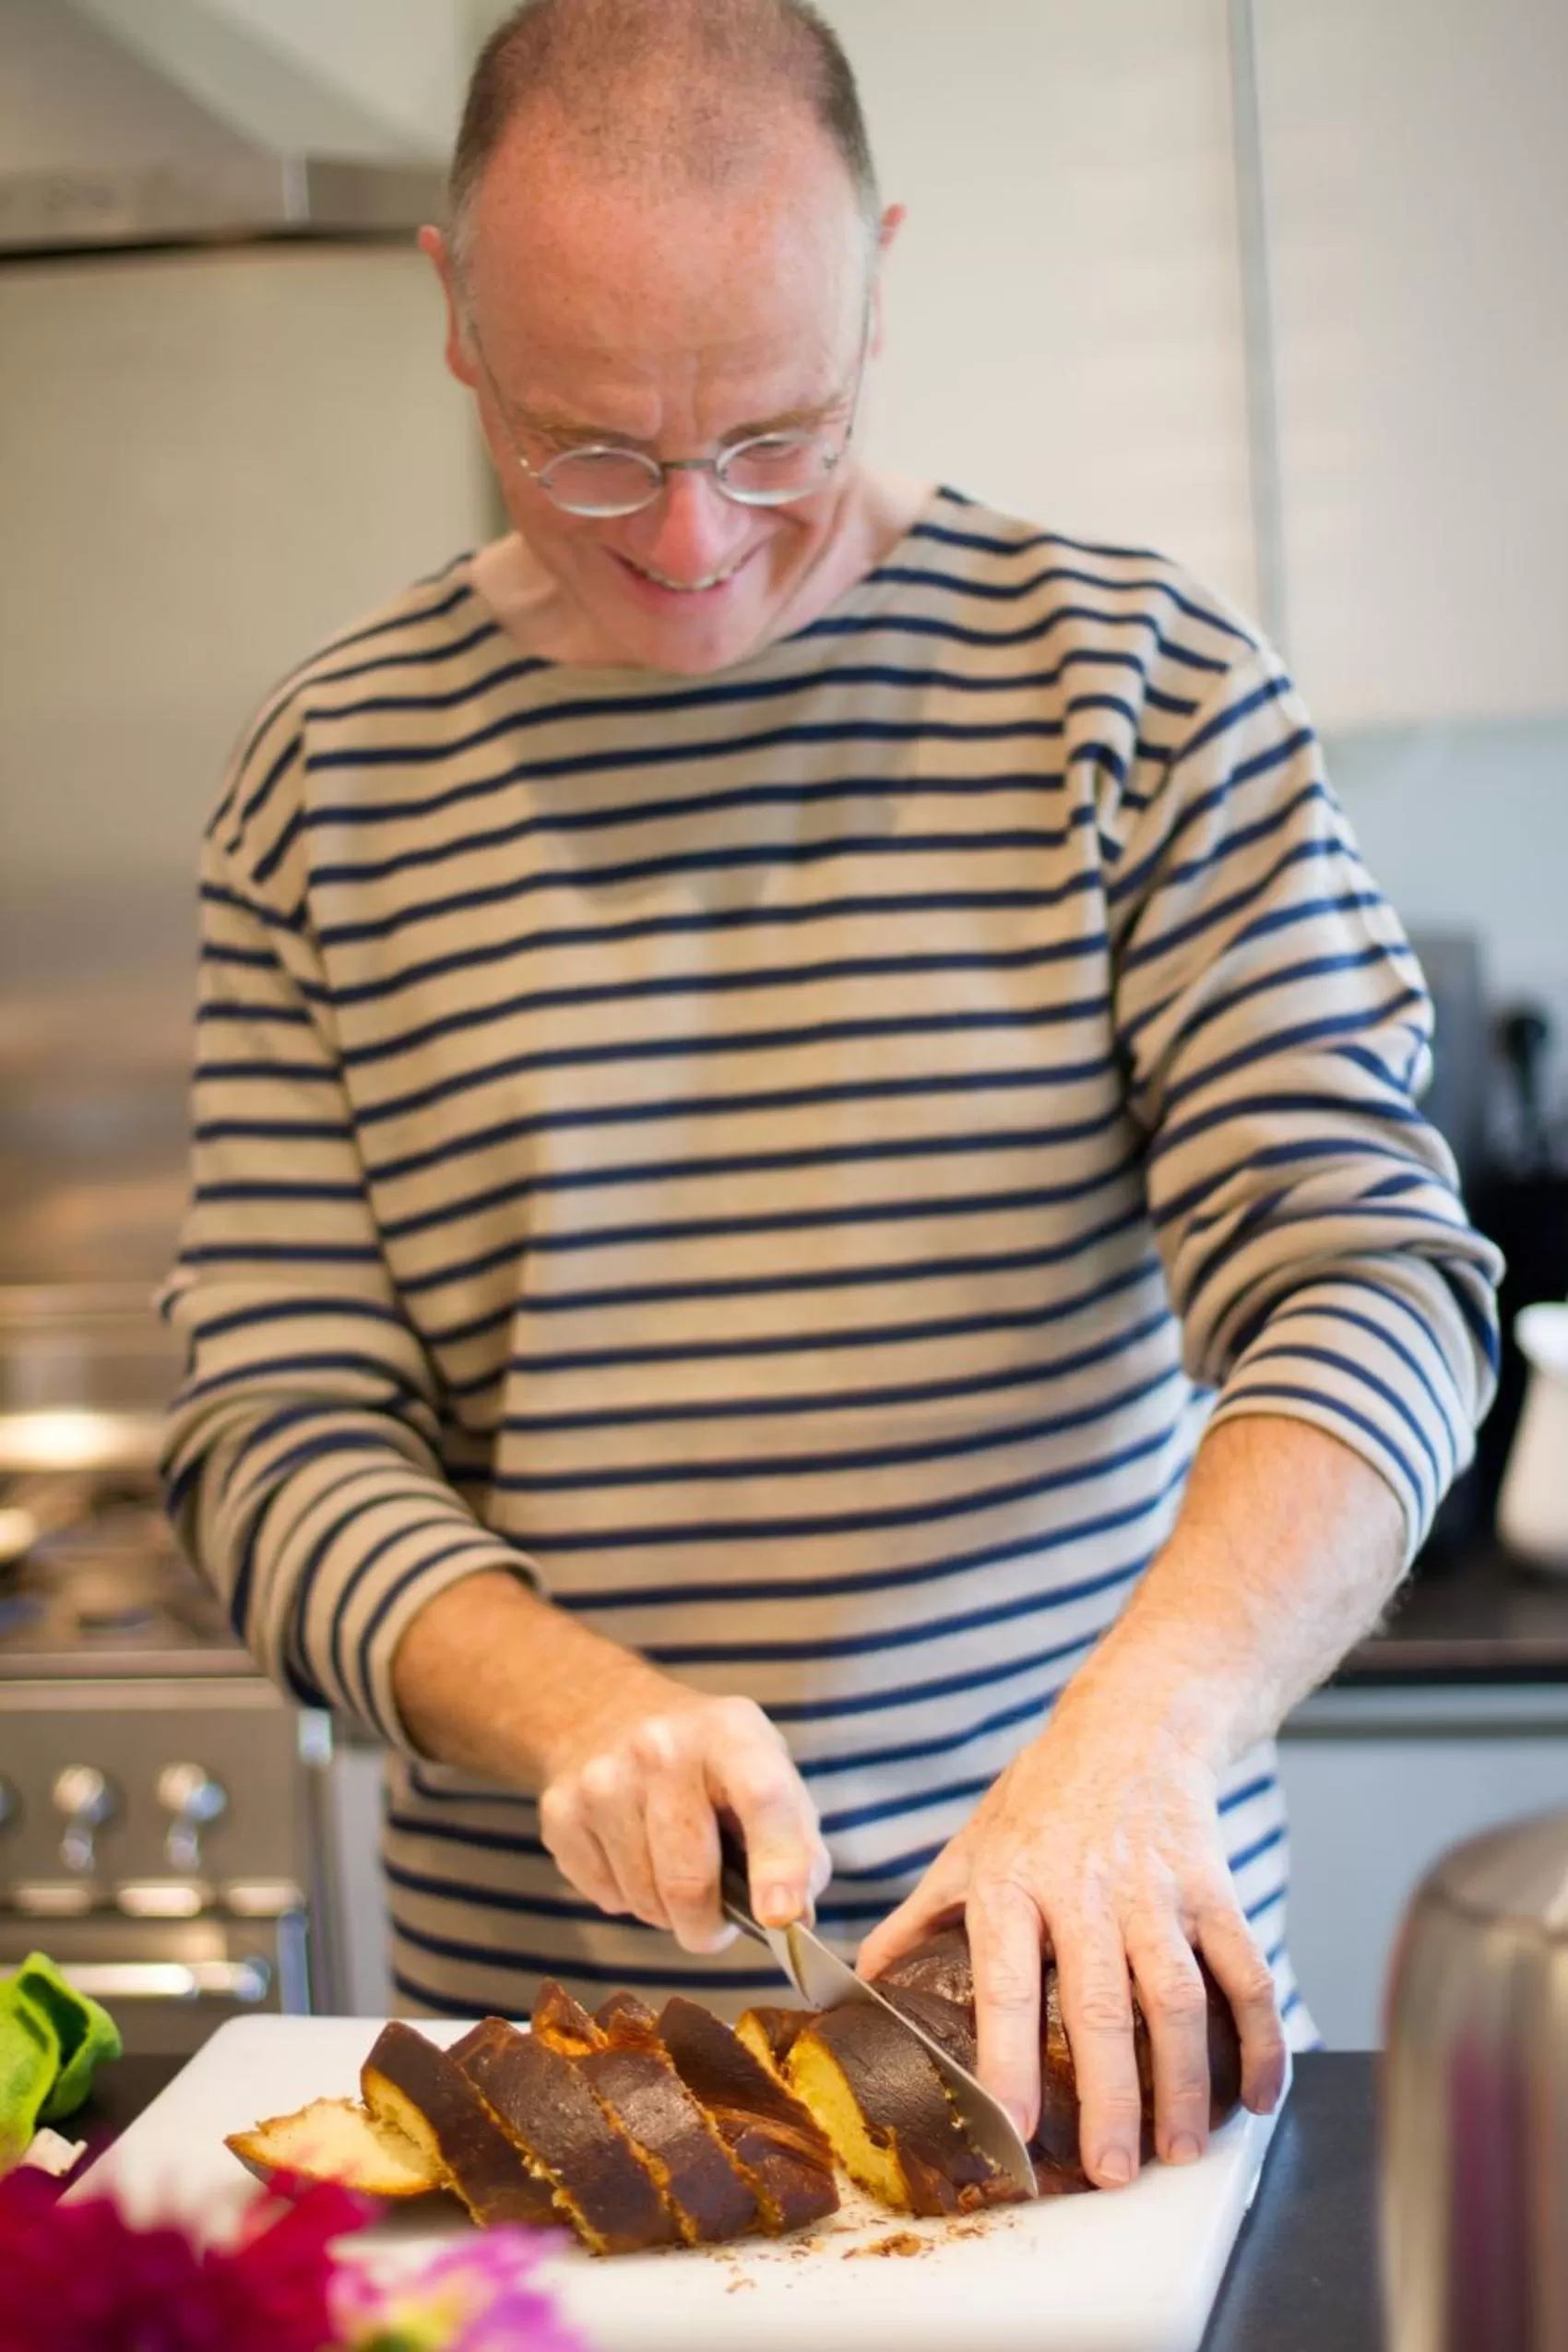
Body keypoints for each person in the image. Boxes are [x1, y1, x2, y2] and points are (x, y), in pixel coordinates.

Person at [160, 0, 1500, 2192]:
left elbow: (1368, 1285)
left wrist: (1141, 1731)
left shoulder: (1135, 690)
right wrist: (570, 1706)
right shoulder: (334, 776)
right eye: (589, 445)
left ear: (876, 280)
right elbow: (275, 1430)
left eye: (774, 436)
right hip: (557, 2070)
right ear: (455, 320)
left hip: (1098, 2016)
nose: (692, 543)